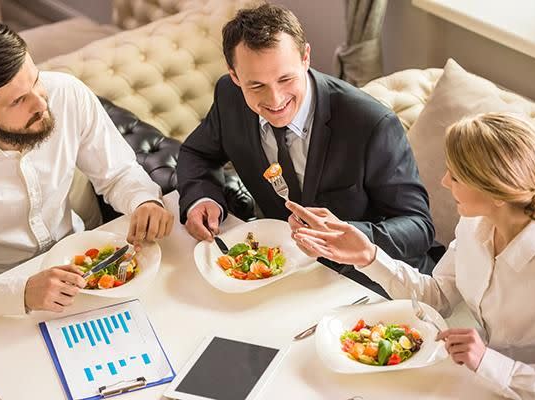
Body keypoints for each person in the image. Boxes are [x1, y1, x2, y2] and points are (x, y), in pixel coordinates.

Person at [176, 3, 437, 296]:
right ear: (235, 77)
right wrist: (201, 198)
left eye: (285, 79)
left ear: (305, 58)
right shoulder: (229, 96)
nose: (275, 100)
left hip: (368, 284)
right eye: (256, 85)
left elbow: (419, 227)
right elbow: (197, 154)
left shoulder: (371, 124)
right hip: (283, 277)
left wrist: (350, 236)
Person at [291, 112, 535, 399]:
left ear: (497, 193)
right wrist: (368, 256)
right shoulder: (474, 224)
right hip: (473, 378)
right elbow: (438, 296)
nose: (443, 181)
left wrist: (487, 361)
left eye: (455, 176)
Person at [0, 21, 174, 318]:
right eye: (18, 100)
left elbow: (118, 172)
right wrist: (19, 293)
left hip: (82, 265)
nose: (41, 103)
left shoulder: (67, 93)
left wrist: (142, 200)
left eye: (35, 80)